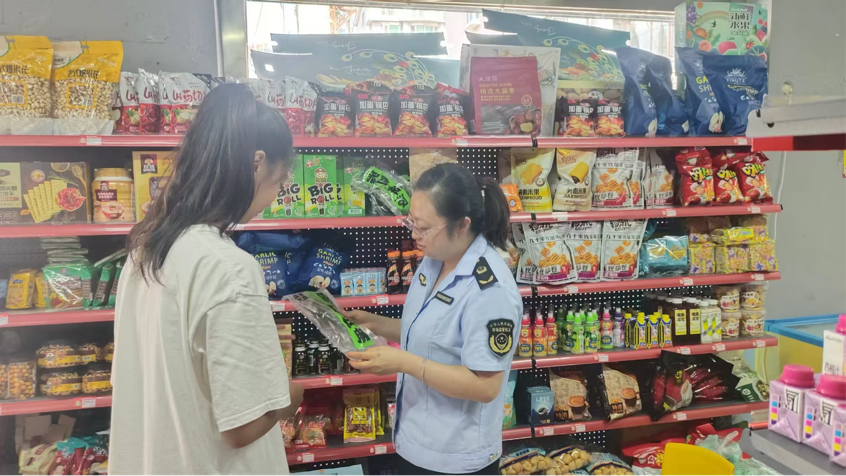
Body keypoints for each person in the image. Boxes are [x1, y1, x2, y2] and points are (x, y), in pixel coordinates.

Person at [110, 84, 304, 475]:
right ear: (257, 163)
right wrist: (290, 397)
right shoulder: (228, 268)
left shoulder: (146, 252)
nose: (274, 196)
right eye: (280, 180)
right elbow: (243, 425)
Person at [344, 163, 522, 476]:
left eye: (424, 228)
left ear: (462, 225)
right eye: (411, 222)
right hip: (414, 442)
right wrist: (373, 322)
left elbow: (485, 386)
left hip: (455, 457)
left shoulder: (490, 289)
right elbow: (427, 334)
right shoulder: (434, 260)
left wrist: (404, 363)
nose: (414, 235)